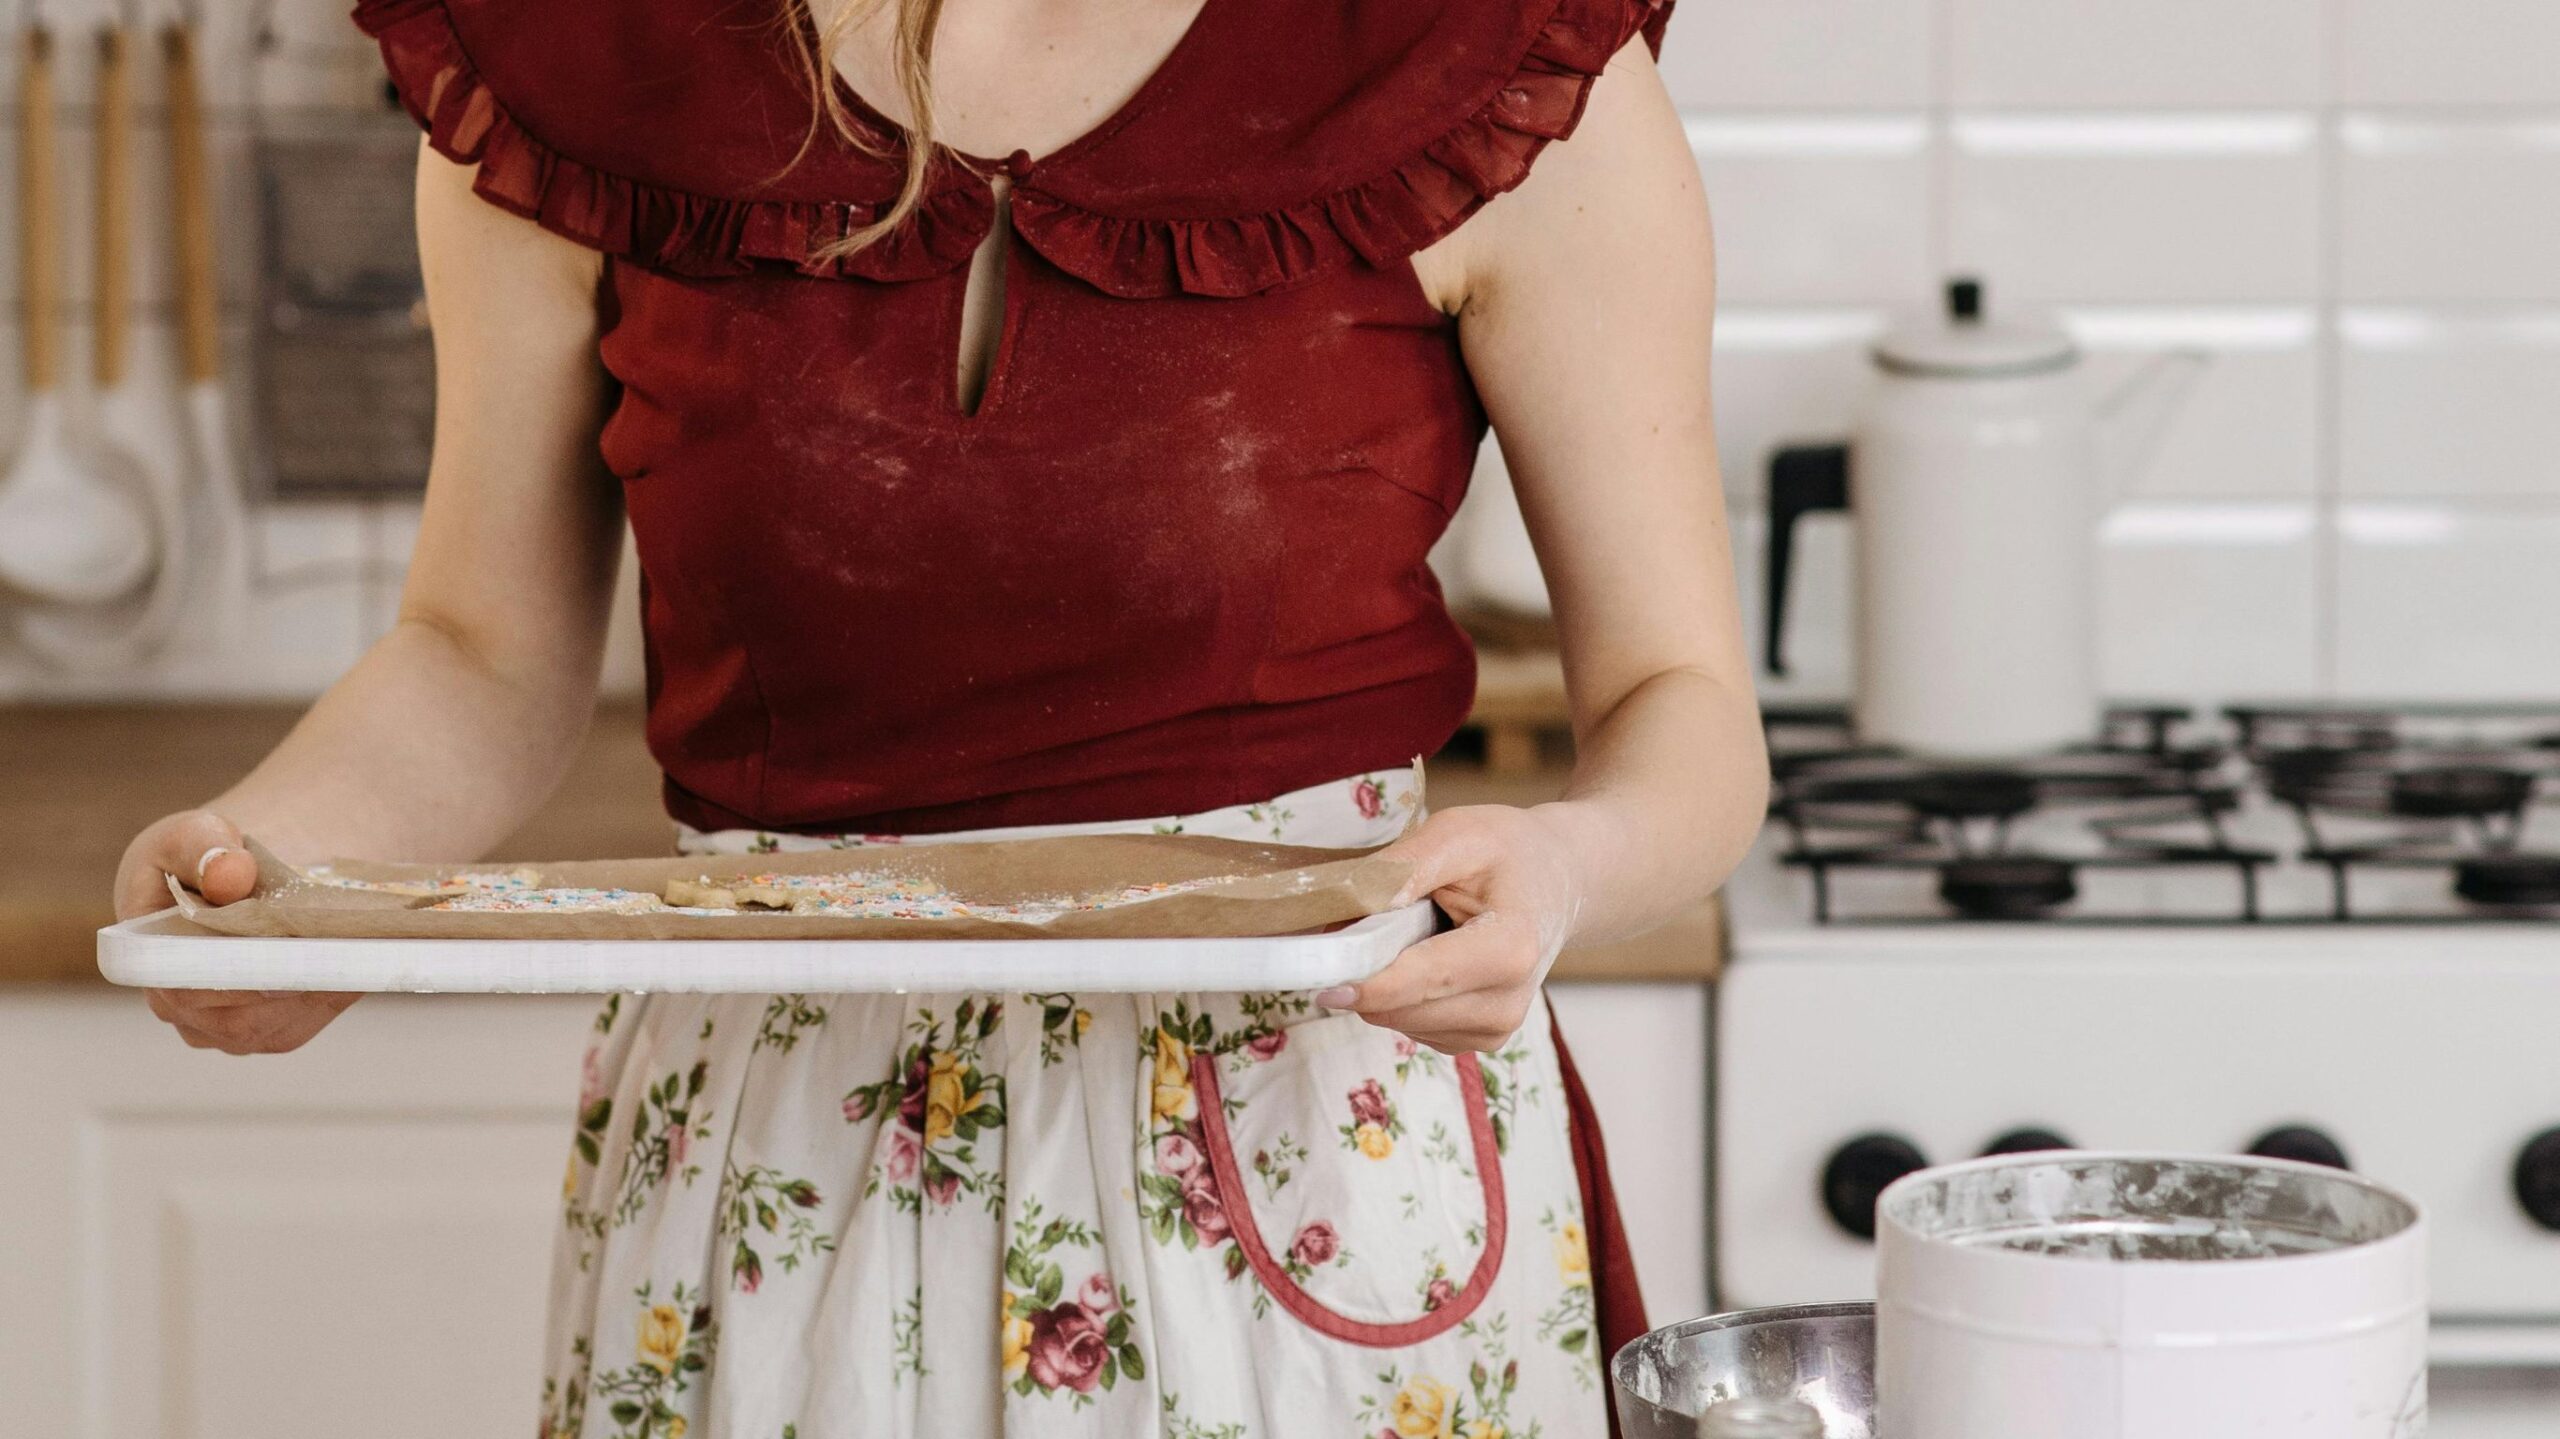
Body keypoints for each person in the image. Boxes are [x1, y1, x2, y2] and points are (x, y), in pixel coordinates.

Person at [114, 0, 1765, 1433]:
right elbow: (481, 650)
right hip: (782, 1145)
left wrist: (1564, 864)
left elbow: (1678, 708)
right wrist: (281, 868)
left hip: (1306, 1118)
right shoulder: (576, 65)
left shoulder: (1485, 57)